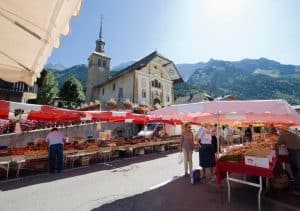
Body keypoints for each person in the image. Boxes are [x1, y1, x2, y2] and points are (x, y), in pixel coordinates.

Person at [276, 128, 300, 196]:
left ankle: (298, 189)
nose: (279, 131)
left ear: (282, 130)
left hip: (294, 152)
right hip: (298, 150)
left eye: (279, 130)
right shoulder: (291, 133)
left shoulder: (283, 135)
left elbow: (278, 143)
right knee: (297, 168)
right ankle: (296, 183)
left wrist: (276, 149)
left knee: (295, 169)